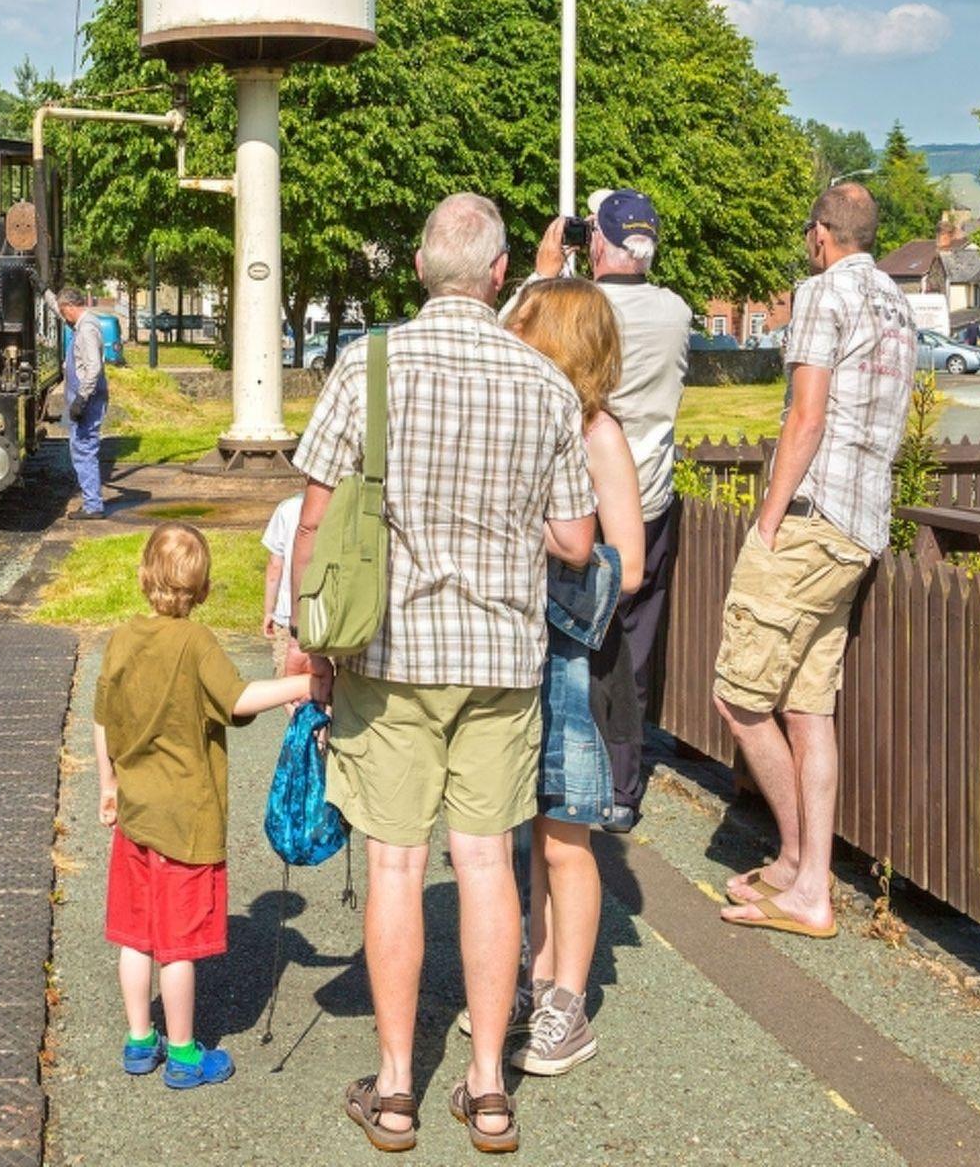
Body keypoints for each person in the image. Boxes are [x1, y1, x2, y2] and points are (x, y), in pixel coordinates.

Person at [290, 193, 597, 1155]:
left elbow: (313, 522)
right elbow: (579, 543)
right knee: (485, 864)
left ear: (421, 268)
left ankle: (392, 1091)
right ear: (502, 274)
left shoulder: (366, 365)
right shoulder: (545, 384)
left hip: (390, 651)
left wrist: (311, 649)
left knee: (395, 863)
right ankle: (489, 1088)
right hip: (503, 660)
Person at [715, 182, 913, 938]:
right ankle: (805, 879)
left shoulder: (824, 291)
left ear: (822, 235)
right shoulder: (896, 304)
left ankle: (805, 873)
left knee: (737, 697)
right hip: (861, 526)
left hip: (809, 518)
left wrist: (767, 521)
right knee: (807, 708)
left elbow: (807, 413)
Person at [93, 523, 311, 1090]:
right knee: (178, 949)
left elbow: (101, 719)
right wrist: (301, 687)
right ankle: (187, 1055)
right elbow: (238, 699)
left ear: (143, 578)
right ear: (206, 590)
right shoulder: (197, 643)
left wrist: (107, 783)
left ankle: (140, 1041)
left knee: (135, 937)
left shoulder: (120, 639)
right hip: (186, 824)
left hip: (136, 819)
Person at [500, 279, 645, 1076]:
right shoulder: (536, 422)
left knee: (567, 837)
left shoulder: (597, 434)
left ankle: (567, 1001)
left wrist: (552, 553)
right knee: (532, 831)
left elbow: (627, 563)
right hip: (524, 646)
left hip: (573, 658)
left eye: (526, 325)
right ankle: (534, 974)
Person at [526, 188, 690, 830]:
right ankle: (621, 788)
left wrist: (549, 260)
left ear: (598, 241)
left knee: (562, 643)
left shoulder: (572, 306)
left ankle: (556, 774)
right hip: (646, 495)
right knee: (632, 649)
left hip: (575, 496)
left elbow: (521, 335)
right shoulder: (676, 312)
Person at [60, 288, 109, 519]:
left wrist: (81, 398)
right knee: (82, 446)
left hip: (88, 398)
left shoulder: (87, 329)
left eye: (63, 311)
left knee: (84, 447)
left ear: (71, 306)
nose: (63, 316)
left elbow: (93, 368)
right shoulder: (84, 324)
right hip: (87, 396)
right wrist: (46, 292)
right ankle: (92, 502)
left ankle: (93, 506)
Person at [261, 490, 305, 676]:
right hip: (330, 616)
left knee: (287, 677)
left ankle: (291, 706)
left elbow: (275, 566)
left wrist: (269, 611)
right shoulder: (344, 504)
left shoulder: (288, 508)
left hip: (288, 615)